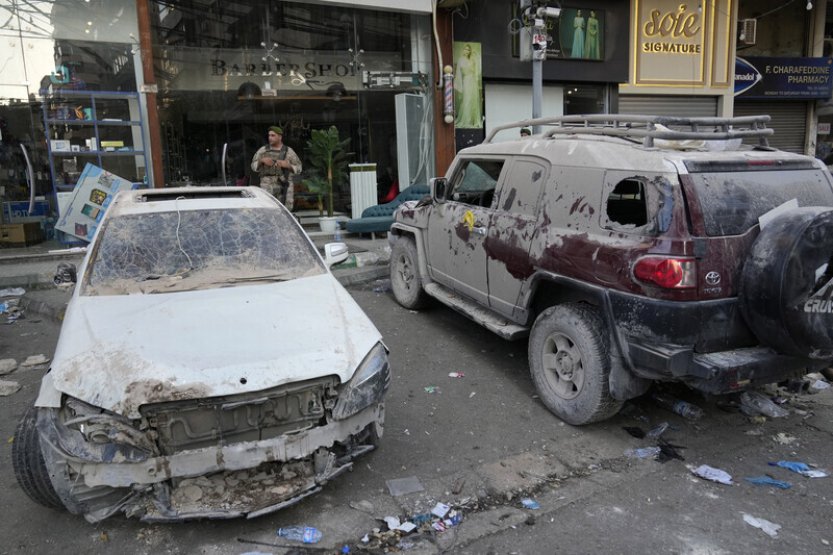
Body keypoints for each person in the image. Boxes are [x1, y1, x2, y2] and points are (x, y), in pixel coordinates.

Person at [250, 126, 302, 203]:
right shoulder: (263, 150)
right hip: (267, 186)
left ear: (280, 137)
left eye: (273, 135)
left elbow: (299, 168)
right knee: (268, 209)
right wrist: (261, 161)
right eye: (269, 135)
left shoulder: (289, 151)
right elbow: (253, 166)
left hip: (284, 186)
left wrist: (288, 165)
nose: (270, 138)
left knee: (286, 209)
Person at [454, 43, 482, 128]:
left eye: (468, 49)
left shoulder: (472, 60)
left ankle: (473, 121)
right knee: (467, 100)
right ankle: (467, 120)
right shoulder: (460, 60)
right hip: (466, 81)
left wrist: (476, 55)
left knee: (474, 99)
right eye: (465, 49)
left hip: (473, 81)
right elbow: (458, 73)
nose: (467, 51)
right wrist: (459, 85)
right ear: (463, 50)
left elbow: (478, 68)